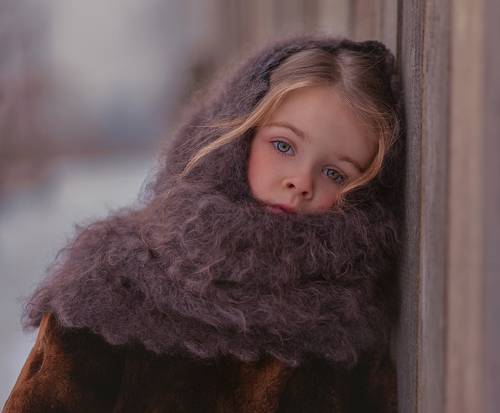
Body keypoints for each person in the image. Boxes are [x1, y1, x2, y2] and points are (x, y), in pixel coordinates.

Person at [3, 34, 403, 412]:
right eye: (283, 145)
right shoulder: (113, 283)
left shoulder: (349, 316)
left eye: (335, 173)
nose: (301, 181)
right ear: (238, 137)